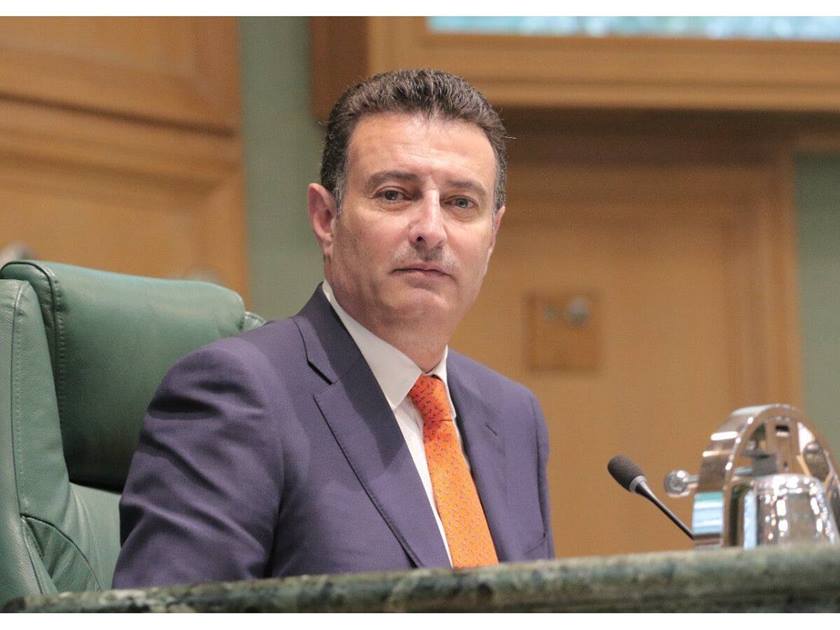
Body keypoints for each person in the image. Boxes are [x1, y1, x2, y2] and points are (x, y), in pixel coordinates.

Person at [113, 69, 554, 588]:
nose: (431, 230)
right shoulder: (238, 394)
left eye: (461, 203)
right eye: (395, 194)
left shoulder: (512, 416)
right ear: (326, 218)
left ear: (492, 234)